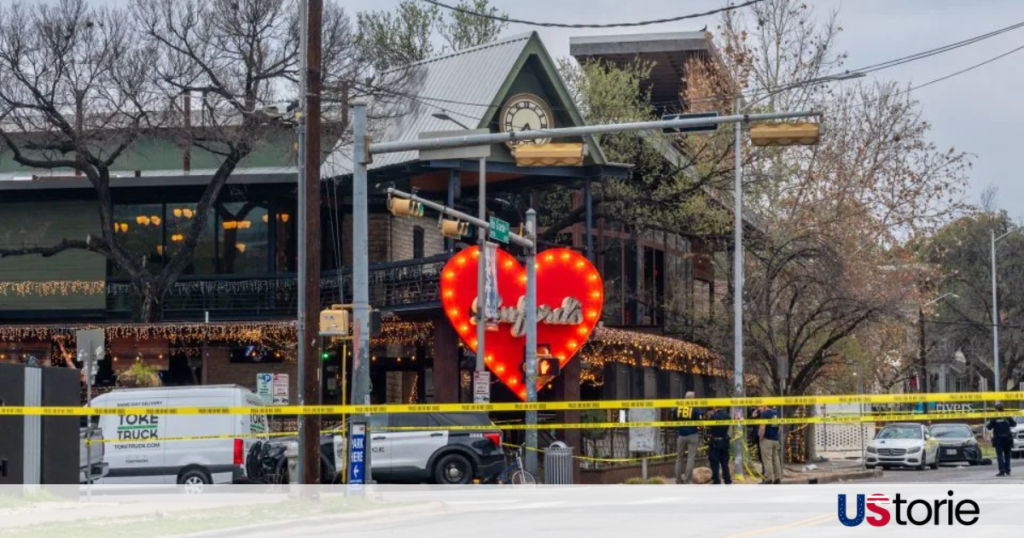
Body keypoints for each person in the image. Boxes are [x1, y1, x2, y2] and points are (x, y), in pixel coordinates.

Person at [674, 391, 703, 484]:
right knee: (690, 458)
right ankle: (687, 480)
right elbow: (699, 422)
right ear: (692, 398)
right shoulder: (695, 408)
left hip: (681, 435)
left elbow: (674, 419)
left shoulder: (678, 407)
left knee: (679, 458)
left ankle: (678, 479)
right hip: (692, 435)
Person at [987, 402, 1017, 477]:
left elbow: (989, 427)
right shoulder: (1007, 416)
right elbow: (1014, 424)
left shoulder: (994, 417)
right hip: (1008, 439)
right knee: (1007, 455)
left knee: (1000, 455)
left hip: (998, 439)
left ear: (996, 410)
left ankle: (1002, 471)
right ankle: (1008, 471)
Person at [707, 406, 732, 485]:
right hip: (724, 441)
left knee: (715, 462)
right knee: (724, 462)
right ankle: (727, 480)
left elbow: (709, 426)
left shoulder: (713, 416)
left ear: (714, 407)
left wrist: (709, 417)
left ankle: (716, 480)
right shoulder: (728, 416)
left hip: (715, 442)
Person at [758, 405, 783, 484]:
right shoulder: (777, 413)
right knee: (776, 459)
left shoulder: (765, 414)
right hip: (775, 440)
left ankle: (768, 478)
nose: (759, 408)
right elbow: (779, 428)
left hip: (767, 440)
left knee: (767, 460)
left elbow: (762, 428)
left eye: (760, 406)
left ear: (765, 406)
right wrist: (775, 436)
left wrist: (760, 437)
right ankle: (777, 478)